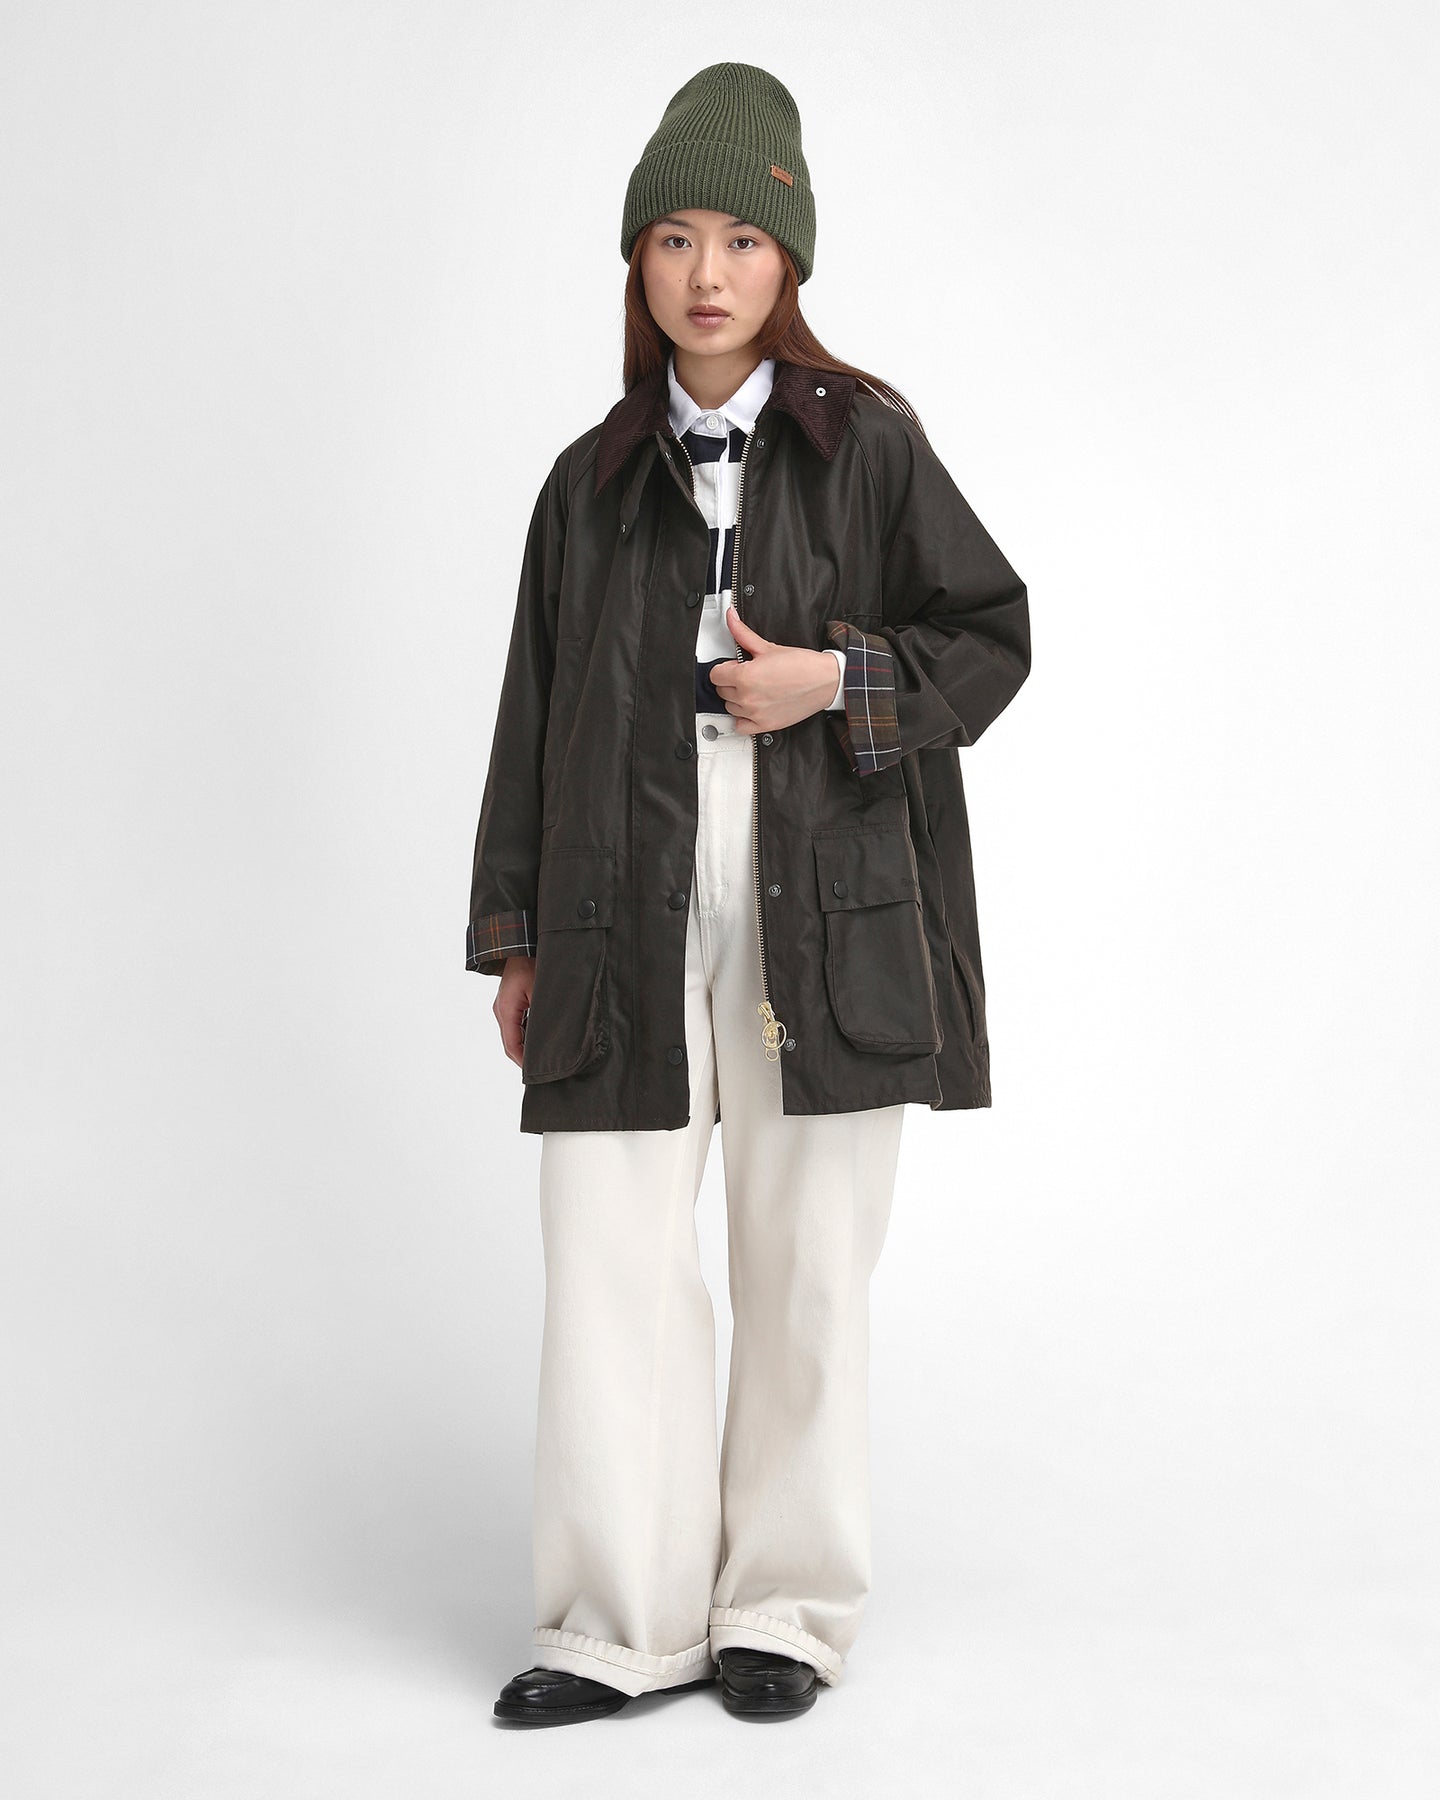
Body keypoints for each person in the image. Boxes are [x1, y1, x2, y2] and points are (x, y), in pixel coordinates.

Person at [466, 61, 1031, 1727]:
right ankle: (617, 1622)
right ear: (636, 263)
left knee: (806, 1267)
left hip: (827, 900)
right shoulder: (586, 484)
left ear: (789, 260)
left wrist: (837, 681)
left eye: (739, 240)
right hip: (619, 903)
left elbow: (988, 636)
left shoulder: (870, 447)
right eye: (672, 239)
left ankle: (783, 1608)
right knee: (611, 1265)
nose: (705, 275)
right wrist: (515, 938)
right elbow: (532, 712)